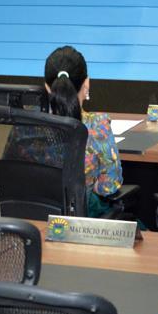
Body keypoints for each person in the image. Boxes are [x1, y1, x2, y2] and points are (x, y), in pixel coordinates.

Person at [44, 46, 123, 217]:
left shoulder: (25, 126)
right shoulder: (97, 126)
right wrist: (89, 189)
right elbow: (110, 185)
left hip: (37, 220)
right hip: (80, 227)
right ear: (86, 83)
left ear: (47, 87)